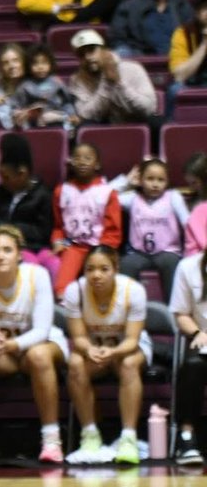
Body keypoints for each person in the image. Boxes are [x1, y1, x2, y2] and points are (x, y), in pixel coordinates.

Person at [0, 226, 69, 463]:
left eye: (7, 250)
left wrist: (11, 344)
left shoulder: (36, 275)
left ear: (19, 254)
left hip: (40, 344)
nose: (0, 256)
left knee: (39, 355)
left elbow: (41, 330)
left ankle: (51, 438)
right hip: (4, 352)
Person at [62, 246, 151, 465]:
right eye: (90, 269)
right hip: (94, 350)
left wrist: (113, 351)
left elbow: (131, 340)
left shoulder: (134, 291)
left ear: (116, 269)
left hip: (128, 349)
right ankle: (90, 434)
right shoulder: (75, 291)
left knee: (129, 364)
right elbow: (79, 336)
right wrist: (88, 349)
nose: (96, 275)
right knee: (75, 362)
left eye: (104, 269)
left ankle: (129, 437)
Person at [51, 142, 123, 294]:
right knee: (61, 288)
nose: (82, 162)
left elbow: (113, 231)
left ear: (97, 164)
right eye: (77, 158)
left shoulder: (107, 192)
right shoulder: (62, 191)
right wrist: (58, 241)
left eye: (87, 158)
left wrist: (102, 251)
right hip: (73, 246)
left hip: (99, 247)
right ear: (70, 162)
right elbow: (58, 226)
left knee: (100, 285)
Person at [0, 133, 57, 279]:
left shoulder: (43, 195)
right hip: (11, 249)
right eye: (0, 175)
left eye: (6, 177)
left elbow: (43, 232)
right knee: (31, 270)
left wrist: (14, 228)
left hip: (38, 247)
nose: (2, 181)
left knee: (55, 265)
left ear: (22, 174)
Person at [117, 158, 187, 299]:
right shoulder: (133, 198)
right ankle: (131, 311)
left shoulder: (173, 197)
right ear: (141, 180)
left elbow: (187, 221)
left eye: (161, 180)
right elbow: (105, 195)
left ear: (167, 182)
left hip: (167, 252)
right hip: (139, 253)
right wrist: (127, 181)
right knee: (125, 264)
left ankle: (173, 313)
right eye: (150, 179)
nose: (155, 184)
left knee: (172, 264)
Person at [68, 29, 158, 125]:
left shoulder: (133, 68)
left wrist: (120, 84)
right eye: (81, 54)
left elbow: (149, 108)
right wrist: (106, 82)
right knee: (85, 126)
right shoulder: (77, 80)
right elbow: (84, 114)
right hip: (104, 128)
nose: (87, 57)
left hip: (138, 121)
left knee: (157, 123)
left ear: (104, 50)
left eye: (91, 50)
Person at [169, 252, 207, 465]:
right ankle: (187, 436)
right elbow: (181, 313)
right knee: (193, 367)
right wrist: (196, 333)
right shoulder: (187, 267)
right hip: (203, 338)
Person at [12, 44, 76, 129]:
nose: (40, 67)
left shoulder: (57, 82)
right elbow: (18, 105)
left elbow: (67, 102)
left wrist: (71, 115)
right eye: (35, 63)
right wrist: (20, 113)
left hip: (57, 119)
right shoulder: (24, 86)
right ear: (29, 65)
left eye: (44, 62)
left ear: (50, 64)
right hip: (33, 123)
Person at [168, 0, 207, 113]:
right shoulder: (183, 33)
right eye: (205, 8)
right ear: (197, 13)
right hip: (193, 83)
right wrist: (205, 44)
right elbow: (179, 75)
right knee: (175, 90)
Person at [0, 44, 27, 129]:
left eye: (15, 60)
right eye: (6, 63)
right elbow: (7, 124)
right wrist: (15, 118)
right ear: (2, 68)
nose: (11, 66)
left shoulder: (36, 85)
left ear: (24, 62)